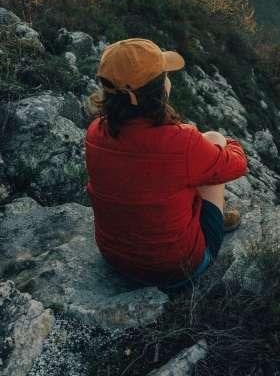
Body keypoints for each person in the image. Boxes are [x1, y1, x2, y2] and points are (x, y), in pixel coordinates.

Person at [84, 38, 248, 289]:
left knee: (175, 171)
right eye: (165, 75)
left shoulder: (95, 131)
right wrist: (228, 143)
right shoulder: (182, 142)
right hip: (177, 269)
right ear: (158, 89)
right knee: (213, 142)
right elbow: (237, 165)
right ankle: (211, 222)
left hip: (115, 258)